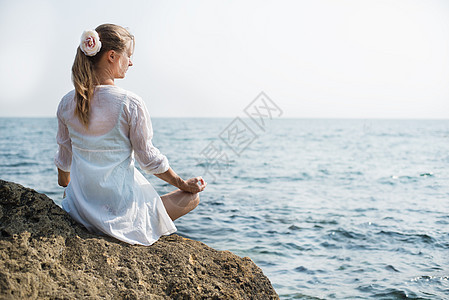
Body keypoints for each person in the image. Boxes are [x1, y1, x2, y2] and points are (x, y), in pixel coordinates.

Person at [54, 24, 206, 246]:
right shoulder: (130, 103)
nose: (131, 62)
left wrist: (69, 189)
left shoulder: (67, 102)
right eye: (129, 56)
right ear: (112, 56)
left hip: (79, 212)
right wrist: (182, 183)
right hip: (121, 219)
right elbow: (148, 159)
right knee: (192, 198)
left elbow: (64, 161)